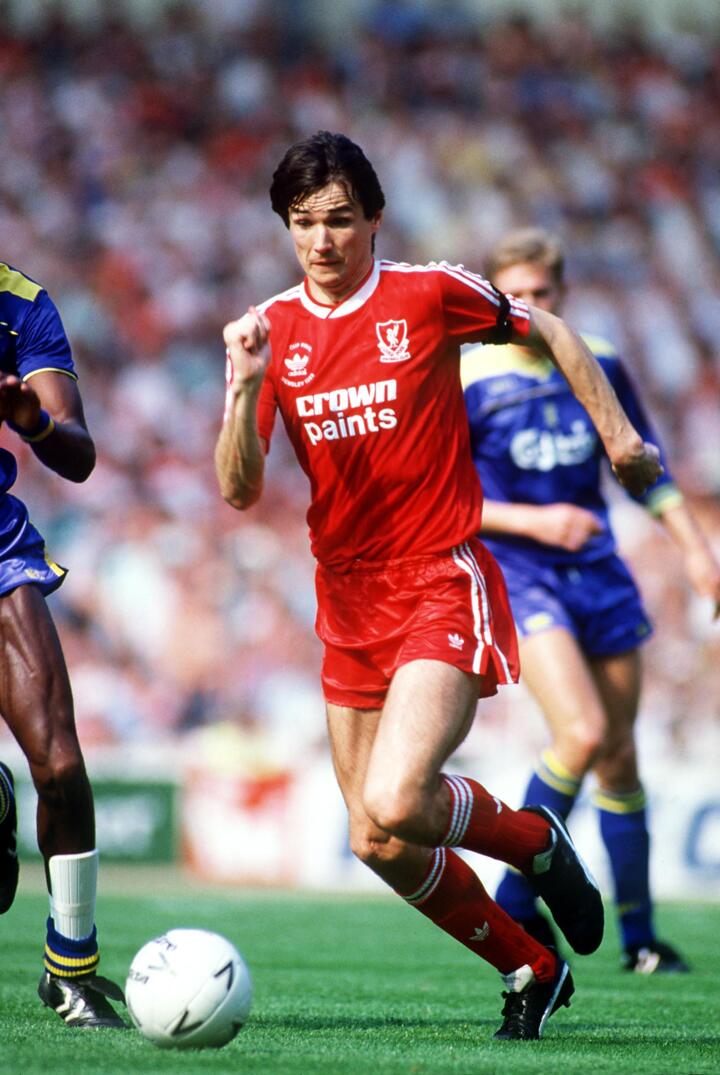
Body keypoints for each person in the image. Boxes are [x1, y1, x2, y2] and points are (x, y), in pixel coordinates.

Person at [215, 132, 662, 1040]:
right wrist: (243, 389)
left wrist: (617, 436)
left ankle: (532, 839)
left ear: (375, 218)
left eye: (340, 219)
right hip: (346, 598)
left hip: (438, 577)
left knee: (396, 797)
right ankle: (531, 966)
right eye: (302, 222)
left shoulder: (427, 294)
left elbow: (554, 331)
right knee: (374, 837)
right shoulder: (269, 330)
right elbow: (238, 488)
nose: (321, 240)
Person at [461, 227, 720, 974]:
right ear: (496, 298)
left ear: (562, 293)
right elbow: (444, 501)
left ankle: (641, 941)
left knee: (620, 755)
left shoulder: (597, 359)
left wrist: (696, 549)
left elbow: (641, 463)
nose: (530, 307)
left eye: (542, 293)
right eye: (515, 294)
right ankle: (513, 902)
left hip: (600, 570)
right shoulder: (468, 376)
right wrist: (534, 521)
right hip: (522, 573)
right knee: (580, 732)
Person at [0, 260, 126, 1027]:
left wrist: (32, 420)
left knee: (61, 764)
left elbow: (78, 456)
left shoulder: (20, 306)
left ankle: (71, 967)